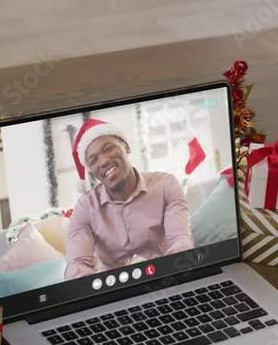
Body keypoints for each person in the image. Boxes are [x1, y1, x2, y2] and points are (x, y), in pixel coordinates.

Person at [64, 119, 195, 279]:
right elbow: (77, 265)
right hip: (112, 288)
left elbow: (180, 240)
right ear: (92, 170)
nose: (104, 161)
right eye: (94, 160)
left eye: (109, 148)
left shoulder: (166, 185)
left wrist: (171, 269)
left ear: (126, 147)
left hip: (166, 276)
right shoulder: (85, 208)